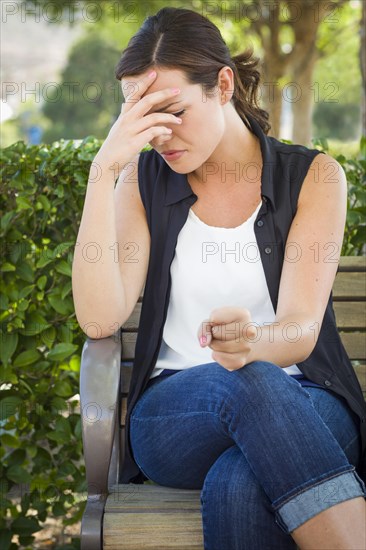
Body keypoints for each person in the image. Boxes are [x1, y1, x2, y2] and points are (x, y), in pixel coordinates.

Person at [72, 7, 366, 549]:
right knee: (247, 382)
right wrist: (104, 171)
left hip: (310, 402)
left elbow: (300, 330)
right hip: (174, 418)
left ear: (222, 84)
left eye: (174, 110)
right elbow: (98, 317)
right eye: (140, 117)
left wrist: (253, 341)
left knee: (238, 480)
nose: (160, 134)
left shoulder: (313, 176)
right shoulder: (142, 182)